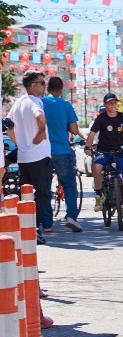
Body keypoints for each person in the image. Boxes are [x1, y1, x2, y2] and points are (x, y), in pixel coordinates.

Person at [7, 70, 52, 244]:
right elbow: (40, 117)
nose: (44, 86)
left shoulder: (18, 103)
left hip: (24, 157)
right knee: (42, 194)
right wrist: (40, 132)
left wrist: (20, 143)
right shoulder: (35, 101)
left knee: (25, 193)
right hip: (39, 156)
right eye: (42, 83)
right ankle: (34, 228)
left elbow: (8, 125)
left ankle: (21, 226)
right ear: (32, 85)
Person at [42, 76, 84, 232]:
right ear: (62, 89)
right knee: (68, 185)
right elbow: (74, 130)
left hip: (44, 152)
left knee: (44, 186)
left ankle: (46, 224)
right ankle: (71, 216)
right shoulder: (66, 105)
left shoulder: (42, 103)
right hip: (62, 151)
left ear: (47, 88)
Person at [85, 93, 123, 219]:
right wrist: (88, 146)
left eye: (115, 102)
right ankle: (99, 195)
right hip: (104, 151)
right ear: (105, 104)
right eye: (110, 102)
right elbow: (92, 134)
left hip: (119, 151)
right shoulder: (101, 118)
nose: (113, 104)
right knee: (96, 168)